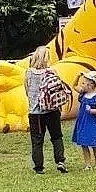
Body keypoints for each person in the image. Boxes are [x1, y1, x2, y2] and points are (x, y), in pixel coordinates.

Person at [24, 46, 68, 174]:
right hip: (52, 110)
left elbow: (27, 91)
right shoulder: (52, 71)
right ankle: (60, 161)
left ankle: (39, 167)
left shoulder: (28, 73)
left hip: (35, 112)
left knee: (37, 140)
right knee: (56, 137)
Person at [72, 71, 96, 168]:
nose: (82, 85)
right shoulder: (82, 94)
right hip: (82, 122)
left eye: (84, 83)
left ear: (91, 85)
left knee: (94, 144)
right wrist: (77, 76)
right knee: (84, 143)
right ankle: (88, 164)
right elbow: (74, 86)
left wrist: (91, 110)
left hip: (92, 122)